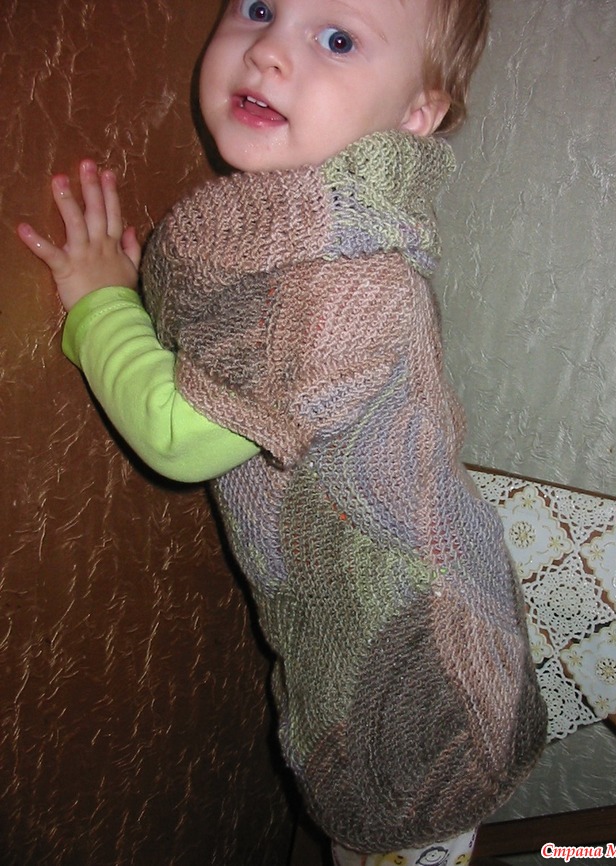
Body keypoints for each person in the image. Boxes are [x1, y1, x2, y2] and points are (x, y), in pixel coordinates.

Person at [18, 0, 548, 862]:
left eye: (338, 39)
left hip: (429, 688)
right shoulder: (321, 229)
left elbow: (176, 438)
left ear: (418, 113)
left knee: (403, 807)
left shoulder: (353, 285)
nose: (268, 50)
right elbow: (254, 347)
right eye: (260, 8)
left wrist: (101, 305)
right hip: (431, 590)